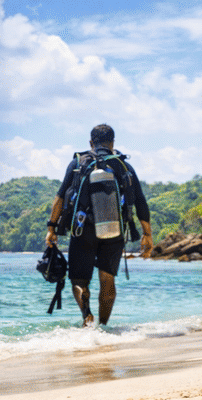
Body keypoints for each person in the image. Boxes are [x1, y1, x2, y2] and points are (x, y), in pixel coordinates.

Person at [45, 124, 153, 327]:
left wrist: (51, 229)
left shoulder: (79, 163)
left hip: (82, 229)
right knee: (107, 279)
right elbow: (140, 201)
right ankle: (103, 328)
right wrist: (147, 235)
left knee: (79, 280)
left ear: (91, 143)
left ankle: (87, 317)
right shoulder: (123, 166)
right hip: (115, 231)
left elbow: (59, 198)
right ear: (112, 143)